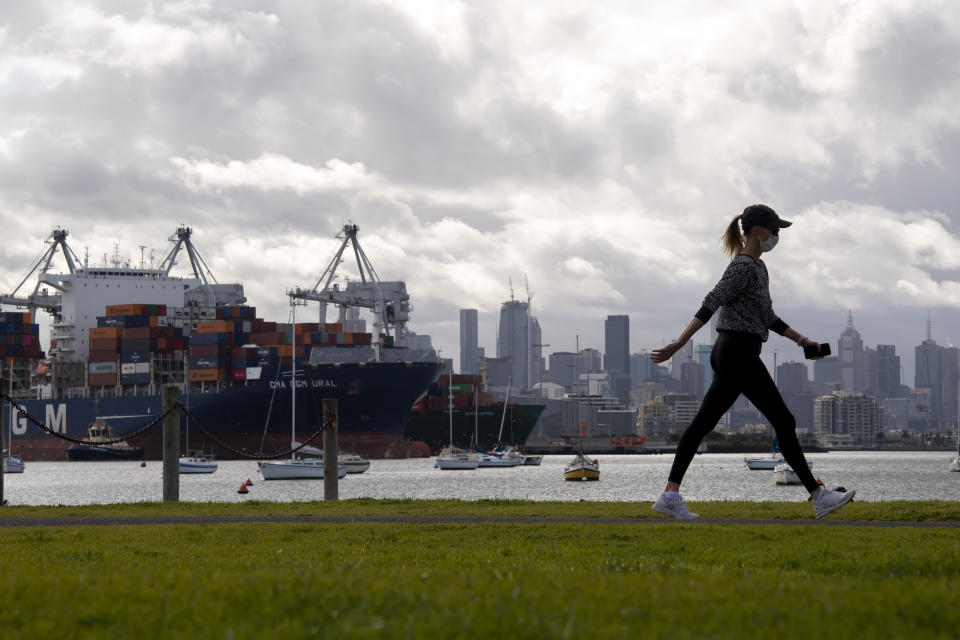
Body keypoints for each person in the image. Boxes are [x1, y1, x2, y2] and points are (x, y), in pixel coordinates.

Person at [650, 204, 855, 520]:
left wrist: (803, 341)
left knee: (703, 424)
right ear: (758, 230)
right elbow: (710, 302)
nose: (777, 236)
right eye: (774, 230)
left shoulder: (759, 268)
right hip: (737, 352)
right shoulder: (743, 267)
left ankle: (669, 495)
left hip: (736, 351)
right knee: (784, 421)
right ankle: (818, 496)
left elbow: (767, 316)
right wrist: (679, 343)